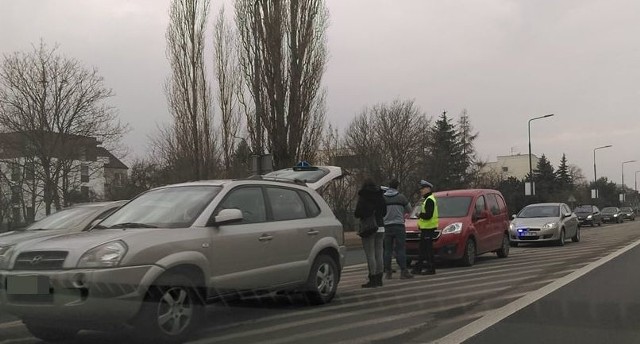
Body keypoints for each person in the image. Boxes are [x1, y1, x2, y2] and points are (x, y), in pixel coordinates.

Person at [354, 178, 387, 288]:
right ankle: (379, 278)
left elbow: (358, 213)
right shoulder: (380, 195)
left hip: (369, 228)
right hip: (381, 226)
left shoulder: (364, 196)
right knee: (379, 253)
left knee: (370, 254)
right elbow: (384, 212)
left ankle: (372, 278)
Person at [382, 179, 414, 280]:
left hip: (387, 226)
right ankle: (403, 272)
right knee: (400, 249)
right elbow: (410, 209)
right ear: (397, 187)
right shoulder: (401, 197)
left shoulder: (383, 198)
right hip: (399, 225)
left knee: (387, 250)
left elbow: (379, 211)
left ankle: (388, 272)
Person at [412, 180, 438, 275]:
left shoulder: (430, 200)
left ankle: (431, 268)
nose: (421, 190)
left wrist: (420, 215)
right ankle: (418, 267)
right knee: (423, 249)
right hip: (426, 228)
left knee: (427, 249)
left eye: (423, 188)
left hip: (428, 228)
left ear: (428, 189)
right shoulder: (427, 199)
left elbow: (428, 215)